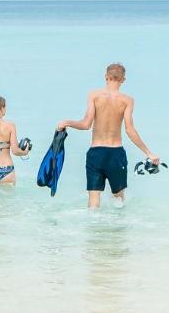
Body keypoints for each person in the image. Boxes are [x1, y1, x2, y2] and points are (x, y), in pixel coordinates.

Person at [57, 63, 161, 208]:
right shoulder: (127, 100)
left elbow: (86, 124)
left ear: (106, 77)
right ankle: (119, 228)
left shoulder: (94, 95)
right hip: (116, 153)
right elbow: (130, 130)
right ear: (123, 80)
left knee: (93, 199)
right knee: (118, 197)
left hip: (96, 153)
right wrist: (149, 153)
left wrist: (66, 122)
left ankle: (93, 227)